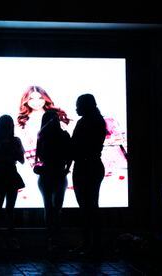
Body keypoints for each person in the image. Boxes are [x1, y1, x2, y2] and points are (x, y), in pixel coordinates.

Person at [70, 93, 107, 255]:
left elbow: (74, 146)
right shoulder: (99, 121)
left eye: (78, 105)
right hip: (94, 165)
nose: (76, 108)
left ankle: (89, 245)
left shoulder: (85, 122)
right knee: (91, 206)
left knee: (86, 207)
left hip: (84, 167)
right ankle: (93, 244)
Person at [0, 114, 25, 248]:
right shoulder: (15, 140)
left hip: (1, 174)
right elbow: (22, 160)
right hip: (10, 174)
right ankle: (9, 238)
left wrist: (0, 148)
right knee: (8, 209)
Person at [35, 110, 72, 251]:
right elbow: (70, 156)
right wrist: (66, 169)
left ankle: (50, 239)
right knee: (56, 208)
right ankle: (55, 239)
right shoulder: (63, 135)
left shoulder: (42, 136)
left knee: (49, 207)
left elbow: (39, 157)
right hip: (58, 173)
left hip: (47, 173)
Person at [17, 85, 71, 168]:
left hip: (57, 159)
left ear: (45, 98)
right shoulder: (23, 121)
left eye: (40, 98)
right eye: (31, 99)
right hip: (33, 162)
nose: (36, 102)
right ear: (26, 100)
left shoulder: (55, 116)